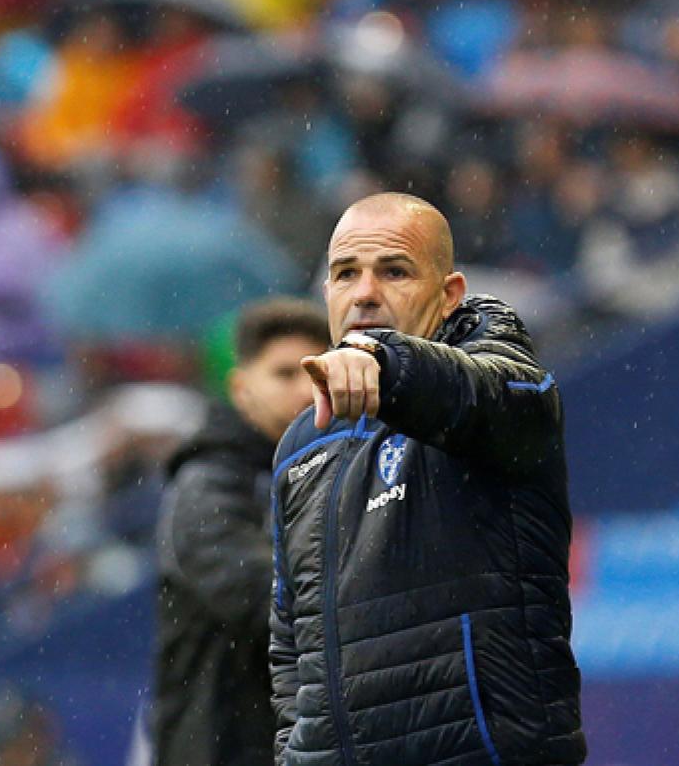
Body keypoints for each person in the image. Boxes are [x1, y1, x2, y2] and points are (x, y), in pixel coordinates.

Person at [269, 193, 586, 766]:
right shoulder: (300, 445)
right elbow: (292, 641)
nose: (365, 292)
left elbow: (485, 394)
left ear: (449, 296)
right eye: (346, 274)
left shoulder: (501, 385)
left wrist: (385, 361)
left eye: (394, 271)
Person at [154, 297, 330, 766]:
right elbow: (257, 594)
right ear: (239, 385)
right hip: (222, 744)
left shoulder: (331, 470)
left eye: (316, 375)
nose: (303, 391)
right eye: (284, 373)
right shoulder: (206, 484)